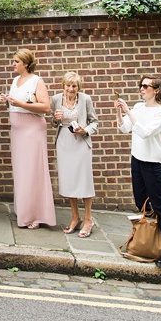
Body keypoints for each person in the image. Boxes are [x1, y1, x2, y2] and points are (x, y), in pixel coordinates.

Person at [115, 74, 161, 267]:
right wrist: (120, 113)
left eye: (146, 86)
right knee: (141, 203)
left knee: (159, 206)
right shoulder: (138, 108)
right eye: (141, 85)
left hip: (153, 163)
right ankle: (146, 242)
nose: (141, 88)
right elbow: (125, 129)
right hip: (137, 160)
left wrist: (129, 112)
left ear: (156, 90)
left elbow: (145, 132)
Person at [0, 48, 56, 230]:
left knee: (33, 172)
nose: (13, 64)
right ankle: (23, 210)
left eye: (16, 61)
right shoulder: (15, 80)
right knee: (22, 171)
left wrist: (20, 104)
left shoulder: (37, 81)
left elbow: (46, 107)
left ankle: (36, 214)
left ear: (25, 63)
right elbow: (15, 104)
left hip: (32, 130)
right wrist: (7, 100)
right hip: (17, 131)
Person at [50, 71, 99, 237]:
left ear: (79, 87)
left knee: (84, 181)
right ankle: (75, 217)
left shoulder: (85, 99)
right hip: (64, 142)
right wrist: (55, 119)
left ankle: (87, 219)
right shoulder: (56, 99)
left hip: (81, 142)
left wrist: (85, 131)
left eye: (74, 86)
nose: (71, 89)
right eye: (68, 85)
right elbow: (52, 122)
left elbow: (95, 122)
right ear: (63, 85)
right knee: (68, 181)